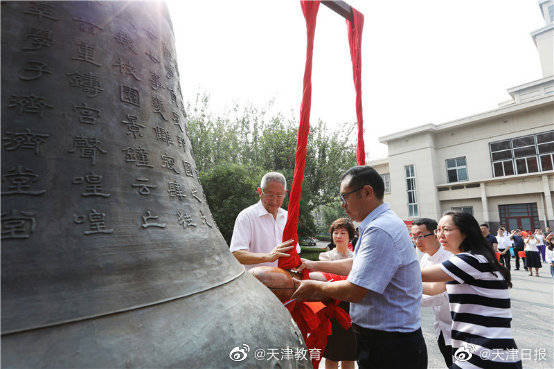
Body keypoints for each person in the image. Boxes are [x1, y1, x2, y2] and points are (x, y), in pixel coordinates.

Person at [291, 165, 427, 369]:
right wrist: (312, 264)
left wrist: (315, 287)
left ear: (367, 192)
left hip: (391, 346)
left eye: (345, 197)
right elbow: (360, 265)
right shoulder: (378, 224)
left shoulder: (380, 230)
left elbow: (355, 290)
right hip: (385, 340)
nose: (343, 204)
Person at [421, 212, 522, 369]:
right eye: (438, 230)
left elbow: (416, 275)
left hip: (485, 349)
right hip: (485, 347)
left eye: (446, 229)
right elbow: (434, 288)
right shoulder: (475, 259)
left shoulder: (468, 260)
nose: (440, 234)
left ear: (466, 231)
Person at [229, 172, 294, 270]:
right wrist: (268, 257)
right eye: (270, 195)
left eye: (279, 196)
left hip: (284, 280)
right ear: (260, 192)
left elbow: (294, 252)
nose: (274, 200)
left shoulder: (287, 217)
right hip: (255, 282)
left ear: (285, 194)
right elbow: (236, 254)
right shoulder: (247, 216)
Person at [411, 218, 453, 367]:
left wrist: (408, 296)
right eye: (413, 237)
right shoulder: (424, 260)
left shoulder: (450, 257)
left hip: (460, 328)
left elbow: (441, 295)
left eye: (420, 236)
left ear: (436, 234)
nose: (417, 241)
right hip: (442, 328)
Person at [315, 218, 356, 369]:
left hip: (353, 308)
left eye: (342, 233)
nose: (338, 236)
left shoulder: (357, 257)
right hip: (332, 307)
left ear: (350, 236)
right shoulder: (325, 257)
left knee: (349, 355)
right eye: (335, 232)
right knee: (331, 355)